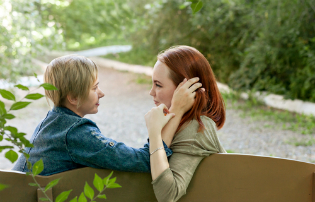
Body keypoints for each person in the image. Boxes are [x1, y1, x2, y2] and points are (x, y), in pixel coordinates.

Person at [12, 55, 202, 176]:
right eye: (95, 88)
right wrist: (176, 109)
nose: (101, 93)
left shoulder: (53, 122)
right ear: (72, 97)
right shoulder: (75, 133)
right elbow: (144, 161)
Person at [144, 45, 226, 202]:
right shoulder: (180, 122)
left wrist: (154, 132)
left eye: (158, 85)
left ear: (186, 89)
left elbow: (168, 194)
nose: (151, 92)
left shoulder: (195, 129)